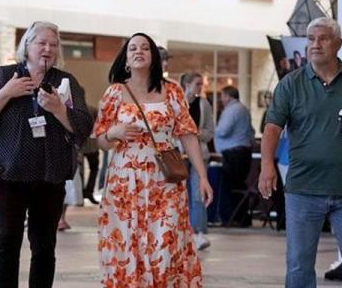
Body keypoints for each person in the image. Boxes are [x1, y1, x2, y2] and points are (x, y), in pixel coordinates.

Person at [259, 17, 342, 288]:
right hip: (303, 189)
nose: (315, 44)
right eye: (310, 39)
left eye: (323, 38)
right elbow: (272, 127)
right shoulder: (290, 84)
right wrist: (267, 166)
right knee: (298, 263)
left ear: (338, 44)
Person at [93, 33, 212, 287]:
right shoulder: (115, 92)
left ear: (153, 56)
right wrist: (114, 133)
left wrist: (202, 176)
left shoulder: (172, 91)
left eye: (145, 48)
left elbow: (188, 134)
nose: (139, 51)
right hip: (125, 183)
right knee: (128, 243)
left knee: (165, 246)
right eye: (133, 48)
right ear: (126, 59)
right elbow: (100, 140)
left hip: (165, 179)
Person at [0, 21, 93, 288]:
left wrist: (59, 110)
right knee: (7, 241)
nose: (48, 49)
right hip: (9, 174)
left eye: (53, 45)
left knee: (44, 246)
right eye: (41, 43)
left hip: (49, 176)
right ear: (27, 46)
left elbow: (83, 128)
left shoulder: (65, 81)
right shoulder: (4, 75)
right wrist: (7, 93)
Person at [181, 71, 215, 250]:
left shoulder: (204, 104)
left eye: (201, 84)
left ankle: (199, 232)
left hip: (199, 154)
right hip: (178, 155)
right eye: (197, 84)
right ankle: (181, 231)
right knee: (179, 195)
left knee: (197, 193)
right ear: (187, 85)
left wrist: (196, 134)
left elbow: (210, 131)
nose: (200, 88)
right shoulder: (177, 102)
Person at [215, 85, 254, 227]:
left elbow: (223, 131)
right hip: (244, 152)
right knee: (239, 186)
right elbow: (252, 131)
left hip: (233, 153)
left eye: (222, 96)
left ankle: (230, 218)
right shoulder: (244, 109)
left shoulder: (231, 110)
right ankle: (241, 218)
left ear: (227, 96)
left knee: (229, 187)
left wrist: (215, 129)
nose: (221, 99)